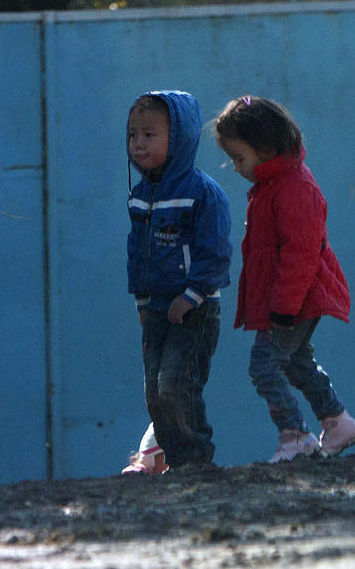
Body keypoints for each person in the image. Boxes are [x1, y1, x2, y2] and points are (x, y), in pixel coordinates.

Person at [214, 95, 355, 463]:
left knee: (264, 366)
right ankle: (338, 421)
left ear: (265, 148)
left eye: (239, 158)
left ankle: (295, 435)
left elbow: (301, 255)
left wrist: (283, 307)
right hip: (289, 300)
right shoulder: (273, 185)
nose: (235, 167)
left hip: (296, 300)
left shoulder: (295, 189)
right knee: (296, 362)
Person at [124, 90, 232, 472]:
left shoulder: (202, 193)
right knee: (154, 392)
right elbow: (137, 251)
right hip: (154, 308)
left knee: (175, 385)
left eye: (150, 135)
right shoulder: (140, 196)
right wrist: (141, 299)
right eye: (133, 135)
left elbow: (216, 252)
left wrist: (192, 294)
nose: (139, 143)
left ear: (179, 138)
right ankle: (169, 459)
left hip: (193, 310)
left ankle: (194, 460)